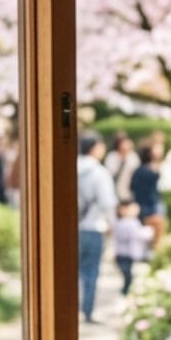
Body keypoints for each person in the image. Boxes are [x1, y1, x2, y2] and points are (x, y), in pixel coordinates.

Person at [76, 130, 117, 323]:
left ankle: (70, 308)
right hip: (93, 227)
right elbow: (107, 203)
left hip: (72, 229)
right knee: (90, 271)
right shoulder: (99, 172)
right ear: (95, 148)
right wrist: (112, 225)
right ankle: (88, 310)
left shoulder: (69, 168)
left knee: (72, 271)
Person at [131, 139, 167, 250]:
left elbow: (132, 188)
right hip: (152, 210)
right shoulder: (153, 171)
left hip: (142, 209)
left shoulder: (137, 171)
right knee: (155, 243)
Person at [113, 200, 154, 294]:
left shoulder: (133, 222)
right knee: (128, 277)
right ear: (122, 210)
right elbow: (136, 234)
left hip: (128, 255)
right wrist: (148, 232)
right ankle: (125, 293)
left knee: (130, 277)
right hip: (124, 255)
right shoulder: (124, 223)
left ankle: (126, 293)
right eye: (132, 208)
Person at [106, 131, 140, 206]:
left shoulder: (133, 156)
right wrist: (122, 161)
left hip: (129, 193)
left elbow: (137, 174)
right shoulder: (112, 157)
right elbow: (110, 175)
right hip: (115, 193)